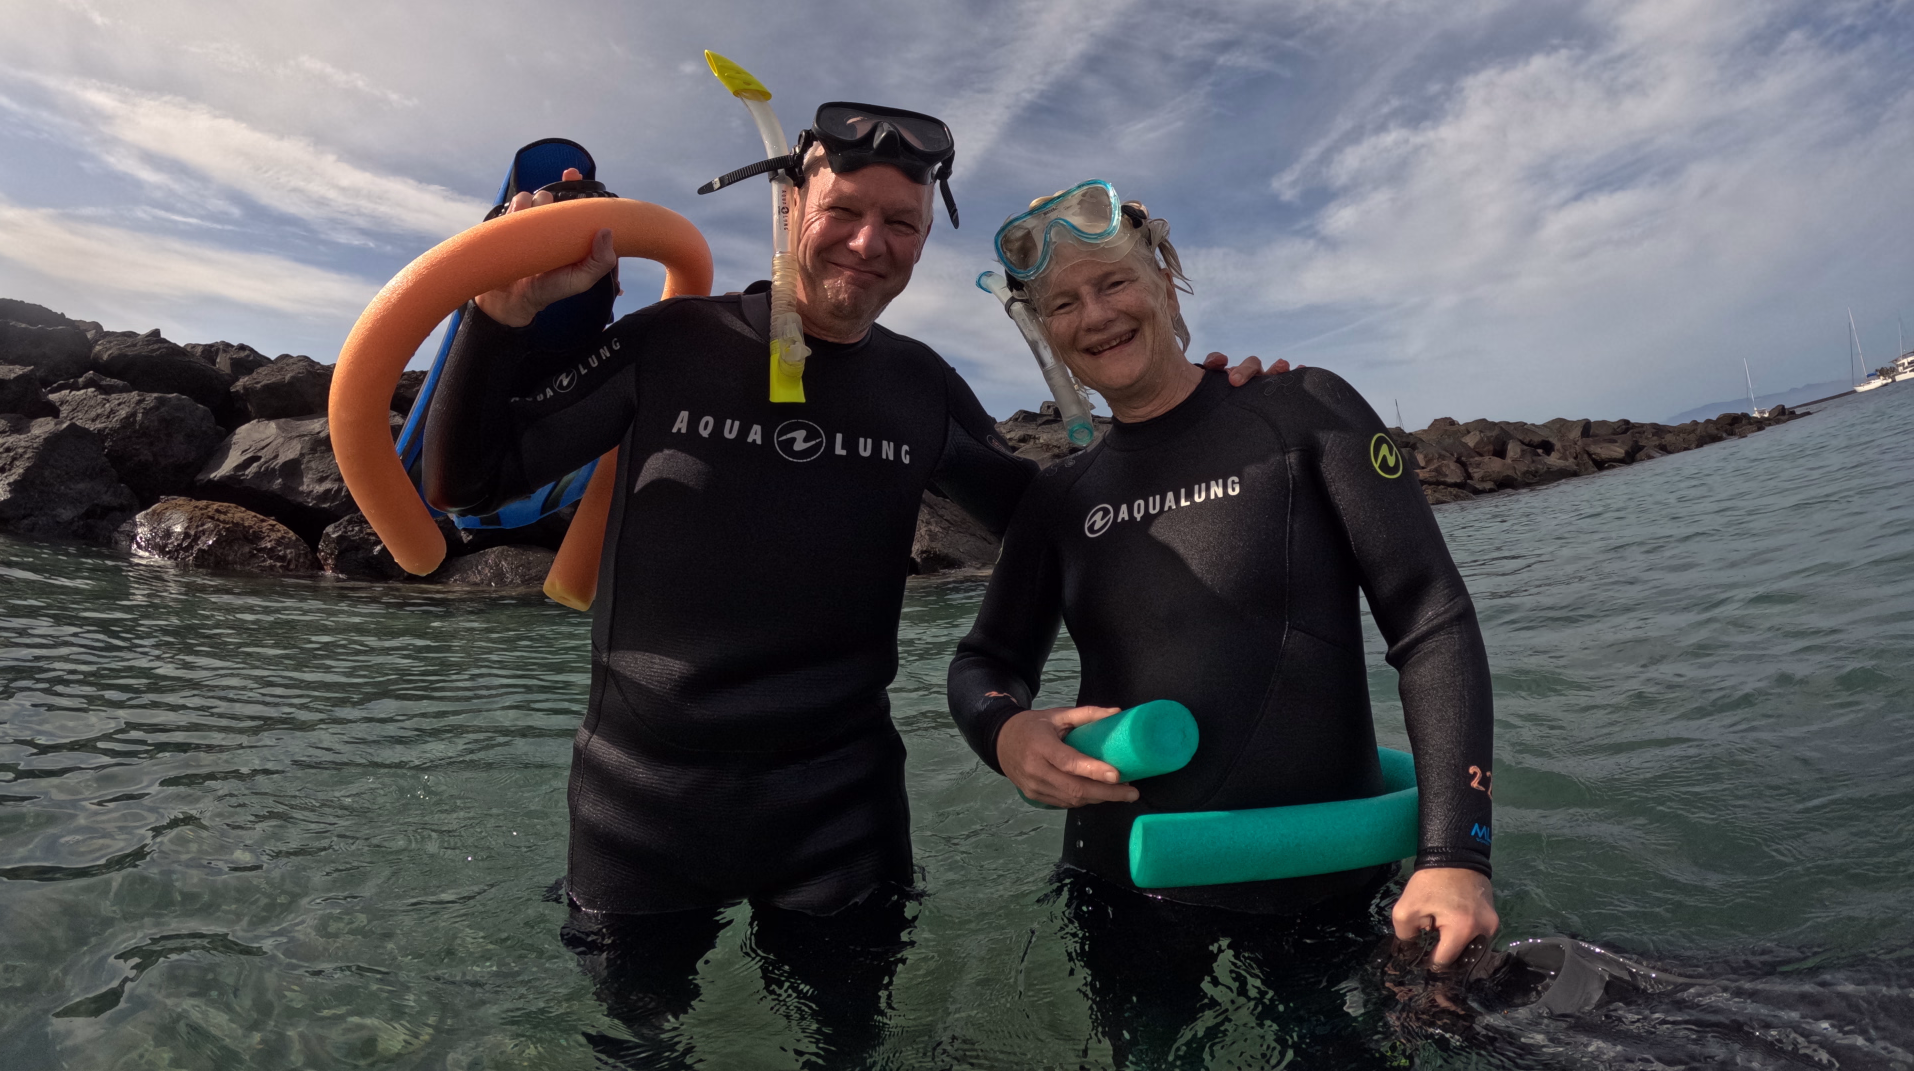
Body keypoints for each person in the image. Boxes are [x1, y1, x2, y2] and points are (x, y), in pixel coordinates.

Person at [423, 116, 1275, 1062]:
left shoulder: (917, 385)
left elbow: (1064, 530)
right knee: (638, 1046)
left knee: (849, 1049)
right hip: (641, 809)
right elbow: (466, 485)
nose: (872, 244)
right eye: (846, 211)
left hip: (842, 814)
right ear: (792, 205)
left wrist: (1205, 422)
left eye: (903, 224)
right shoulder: (671, 344)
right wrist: (496, 318)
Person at [947, 182, 1496, 1063]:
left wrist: (1456, 854)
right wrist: (1006, 733)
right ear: (1045, 333)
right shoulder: (1059, 496)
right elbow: (984, 659)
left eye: (1114, 283)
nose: (1096, 315)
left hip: (1320, 886)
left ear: (1166, 278)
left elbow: (1430, 617)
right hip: (1122, 891)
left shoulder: (1300, 411)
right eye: (1063, 303)